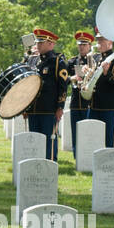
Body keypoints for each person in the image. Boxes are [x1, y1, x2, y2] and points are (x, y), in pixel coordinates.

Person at [24, 28, 69, 161]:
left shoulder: (57, 62)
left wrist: (60, 107)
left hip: (49, 109)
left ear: (51, 44)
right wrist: (25, 106)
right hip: (33, 109)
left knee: (49, 142)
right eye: (38, 42)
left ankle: (49, 166)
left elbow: (63, 85)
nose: (38, 45)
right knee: (34, 143)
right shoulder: (32, 61)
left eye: (41, 42)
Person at [89, 30, 114, 148]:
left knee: (109, 141)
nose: (98, 42)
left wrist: (107, 73)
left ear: (110, 42)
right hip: (95, 105)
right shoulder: (97, 58)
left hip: (109, 106)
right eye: (98, 39)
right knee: (92, 139)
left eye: (101, 40)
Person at [65, 29, 95, 164]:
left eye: (84, 44)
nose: (81, 47)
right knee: (75, 133)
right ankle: (77, 157)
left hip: (89, 102)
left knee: (89, 133)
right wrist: (73, 78)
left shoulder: (94, 61)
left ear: (89, 46)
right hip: (76, 102)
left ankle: (88, 158)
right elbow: (63, 79)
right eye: (80, 44)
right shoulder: (72, 62)